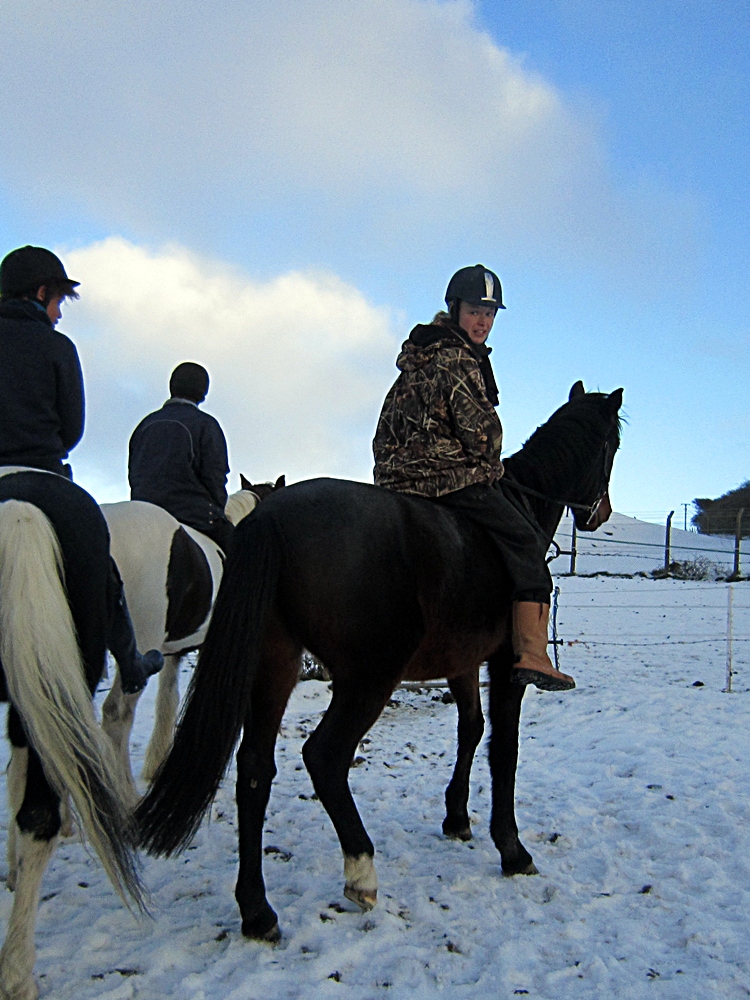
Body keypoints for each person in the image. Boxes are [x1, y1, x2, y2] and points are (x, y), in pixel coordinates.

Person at [372, 264, 575, 691]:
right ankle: (533, 654)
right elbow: (482, 433)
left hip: (392, 477)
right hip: (444, 477)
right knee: (525, 540)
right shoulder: (458, 359)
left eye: (489, 313)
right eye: (474, 312)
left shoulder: (419, 356)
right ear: (455, 309)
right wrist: (490, 464)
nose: (482, 322)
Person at [0, 245, 163, 694]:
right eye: (58, 302)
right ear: (41, 293)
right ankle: (129, 660)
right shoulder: (57, 346)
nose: (57, 315)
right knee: (100, 562)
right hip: (43, 471)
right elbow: (71, 430)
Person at [128, 363, 234, 553]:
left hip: (142, 512)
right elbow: (215, 476)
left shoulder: (144, 425)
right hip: (193, 514)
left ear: (172, 386)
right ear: (203, 392)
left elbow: (134, 473)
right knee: (243, 553)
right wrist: (217, 511)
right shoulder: (206, 424)